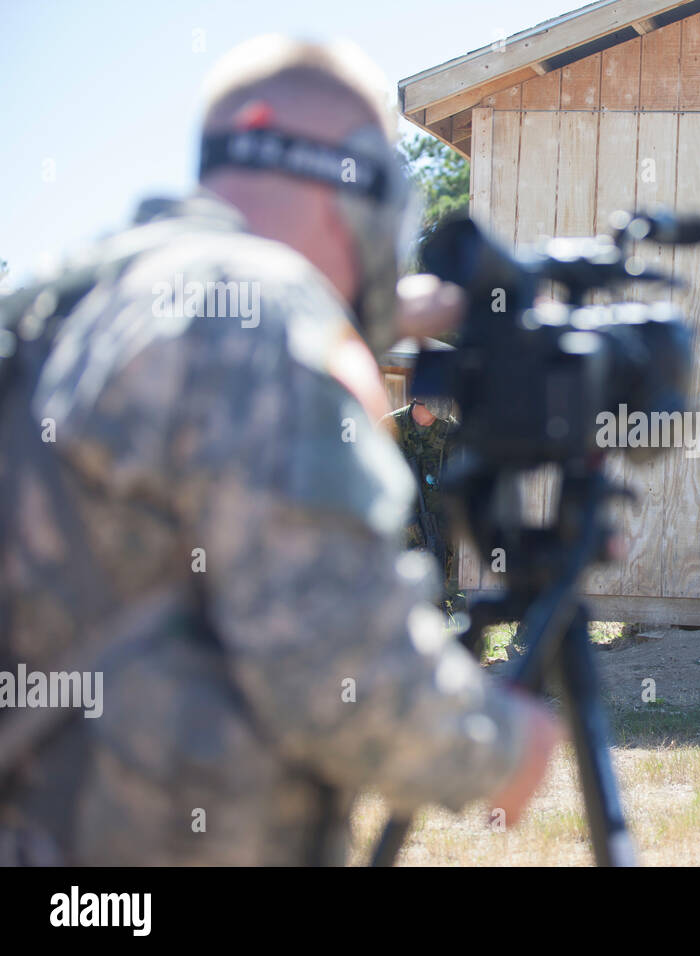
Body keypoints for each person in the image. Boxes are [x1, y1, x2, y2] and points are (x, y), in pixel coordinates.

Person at [0, 36, 557, 865]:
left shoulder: (59, 304)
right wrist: (506, 748)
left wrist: (395, 312)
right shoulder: (260, 317)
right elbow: (337, 663)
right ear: (358, 187)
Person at [380, 397, 460, 609]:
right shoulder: (390, 427)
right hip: (397, 528)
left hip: (438, 527)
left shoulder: (451, 431)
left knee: (435, 594)